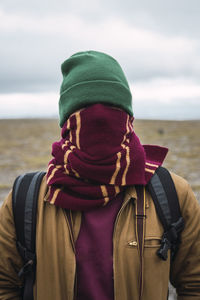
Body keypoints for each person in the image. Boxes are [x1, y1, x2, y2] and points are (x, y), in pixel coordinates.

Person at [0, 50, 200, 300]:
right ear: (66, 122)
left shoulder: (171, 194)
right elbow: (5, 285)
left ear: (128, 117)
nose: (100, 118)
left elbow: (194, 284)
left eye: (112, 107)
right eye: (84, 108)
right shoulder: (25, 199)